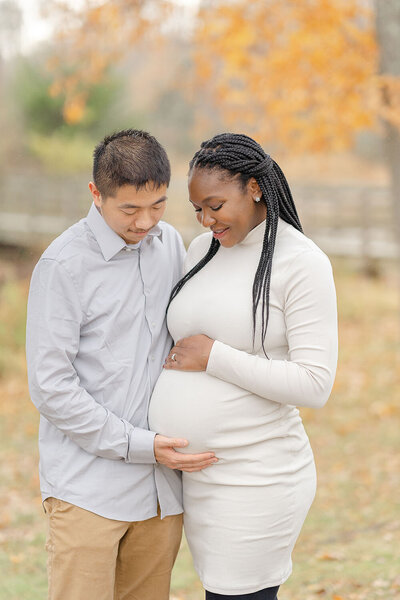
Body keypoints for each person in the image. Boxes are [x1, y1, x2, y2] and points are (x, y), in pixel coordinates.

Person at [26, 129, 217, 600]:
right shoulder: (63, 266)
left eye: (158, 205)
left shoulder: (170, 245)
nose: (145, 221)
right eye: (129, 209)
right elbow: (52, 388)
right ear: (96, 194)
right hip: (88, 490)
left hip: (160, 497)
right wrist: (140, 445)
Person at [149, 133, 338, 600]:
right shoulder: (202, 251)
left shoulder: (301, 262)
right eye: (197, 209)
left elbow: (315, 384)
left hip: (257, 476)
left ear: (254, 188)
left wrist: (215, 357)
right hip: (196, 479)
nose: (205, 219)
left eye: (215, 204)